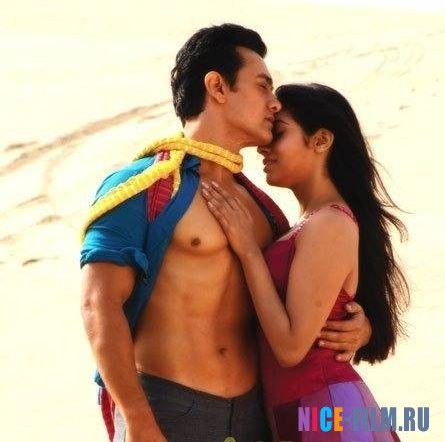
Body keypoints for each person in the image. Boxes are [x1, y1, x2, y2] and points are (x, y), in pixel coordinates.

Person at [80, 25, 372, 442]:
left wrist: (359, 326)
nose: (274, 103)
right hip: (169, 409)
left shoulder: (265, 211)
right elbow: (99, 304)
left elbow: (297, 305)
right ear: (217, 87)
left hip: (258, 416)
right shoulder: (142, 187)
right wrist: (138, 419)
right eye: (262, 86)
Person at [202, 82, 409, 441]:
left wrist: (249, 251)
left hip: (326, 411)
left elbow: (291, 348)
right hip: (299, 412)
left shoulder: (330, 222)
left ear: (321, 140)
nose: (264, 146)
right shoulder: (304, 224)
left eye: (279, 133)